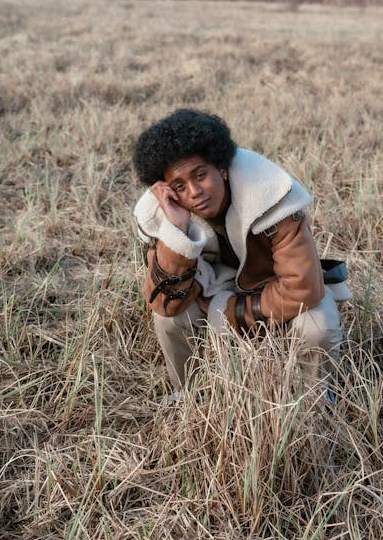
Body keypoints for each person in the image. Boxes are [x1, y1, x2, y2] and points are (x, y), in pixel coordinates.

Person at [133, 109, 350, 397]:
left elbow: (303, 288)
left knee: (317, 325)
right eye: (180, 186)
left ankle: (319, 400)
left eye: (201, 175)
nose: (195, 191)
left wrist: (230, 310)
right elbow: (164, 302)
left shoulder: (273, 198)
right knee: (170, 318)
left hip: (274, 286)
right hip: (211, 287)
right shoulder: (165, 215)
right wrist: (177, 231)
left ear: (221, 168)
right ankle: (187, 395)